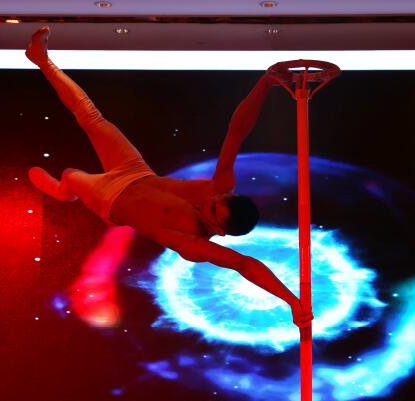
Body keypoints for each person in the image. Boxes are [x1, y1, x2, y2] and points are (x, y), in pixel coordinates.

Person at [25, 26, 312, 328]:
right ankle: (41, 59)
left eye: (214, 208)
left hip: (110, 199)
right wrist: (265, 83)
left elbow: (244, 264)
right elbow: (236, 133)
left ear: (219, 229)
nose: (211, 199)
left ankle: (63, 191)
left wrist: (292, 302)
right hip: (135, 171)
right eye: (221, 197)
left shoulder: (191, 243)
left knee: (71, 175)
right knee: (91, 116)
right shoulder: (217, 189)